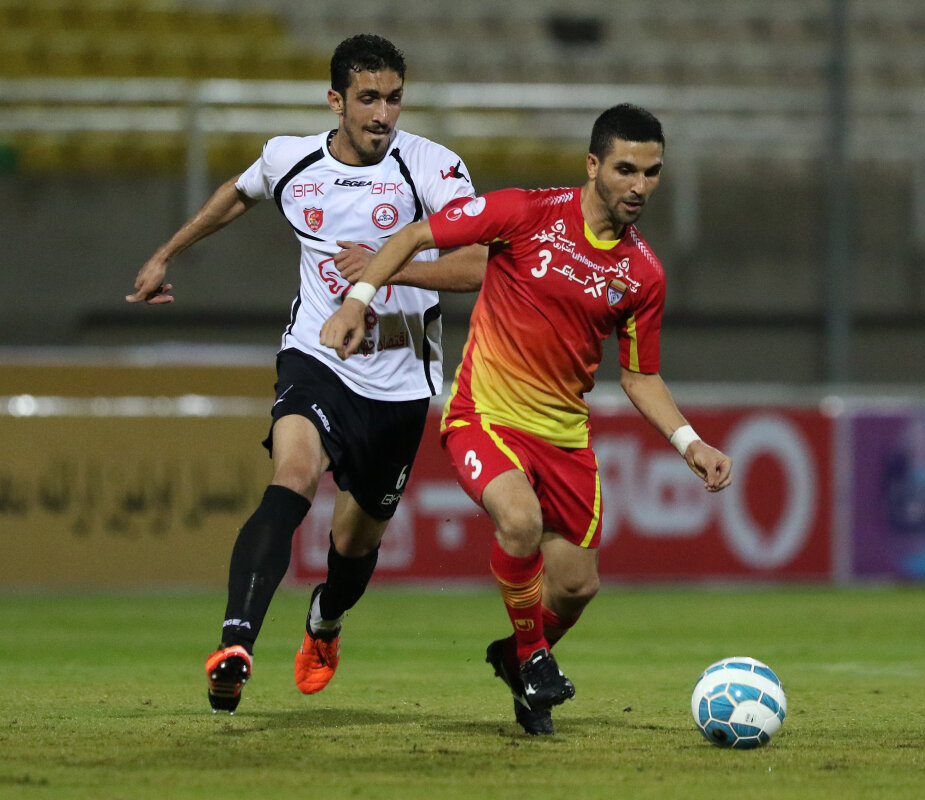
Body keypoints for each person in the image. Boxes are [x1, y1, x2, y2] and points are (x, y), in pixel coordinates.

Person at [318, 103, 733, 735]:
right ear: (592, 165)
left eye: (651, 173)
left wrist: (689, 442)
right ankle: (535, 658)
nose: (639, 186)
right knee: (519, 520)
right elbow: (414, 235)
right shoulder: (525, 212)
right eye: (625, 169)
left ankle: (515, 658)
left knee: (578, 587)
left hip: (564, 437)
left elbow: (639, 376)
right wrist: (357, 301)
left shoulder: (643, 273)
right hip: (485, 416)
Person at [126, 34, 487, 714]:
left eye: (394, 99)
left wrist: (386, 267)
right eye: (368, 99)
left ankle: (325, 620)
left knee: (353, 542)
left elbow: (477, 265)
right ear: (335, 101)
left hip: (400, 382)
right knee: (292, 475)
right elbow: (238, 194)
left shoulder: (432, 168)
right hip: (317, 357)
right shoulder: (289, 158)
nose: (383, 115)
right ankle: (235, 645)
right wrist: (167, 252)